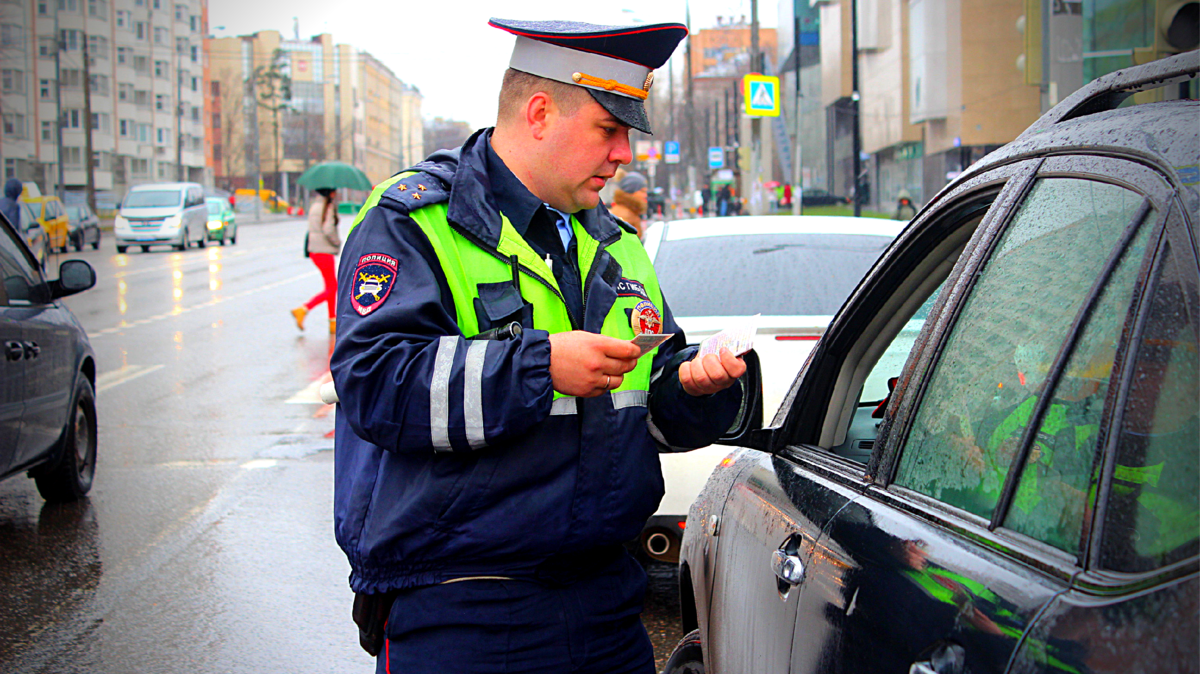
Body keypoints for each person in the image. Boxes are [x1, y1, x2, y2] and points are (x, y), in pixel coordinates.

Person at [331, 17, 747, 674]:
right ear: (540, 112)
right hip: (462, 608)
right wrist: (541, 367)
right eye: (609, 130)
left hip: (606, 604)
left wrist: (690, 386)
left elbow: (645, 404)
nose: (624, 156)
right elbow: (375, 383)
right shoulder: (415, 220)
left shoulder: (617, 246)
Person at [291, 187, 340, 334]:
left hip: (315, 250)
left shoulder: (315, 206)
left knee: (330, 286)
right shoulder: (327, 207)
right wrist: (337, 242)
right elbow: (328, 229)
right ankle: (304, 309)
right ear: (330, 193)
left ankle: (333, 320)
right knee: (333, 287)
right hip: (324, 251)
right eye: (334, 192)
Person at [608, 169, 648, 238]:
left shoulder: (630, 211)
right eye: (642, 191)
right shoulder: (624, 215)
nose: (645, 195)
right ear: (630, 192)